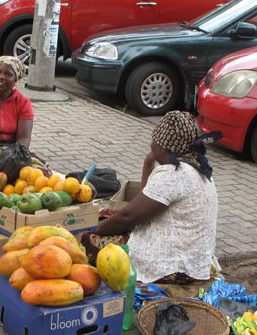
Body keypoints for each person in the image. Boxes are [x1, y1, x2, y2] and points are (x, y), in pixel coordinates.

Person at [80, 112, 220, 285]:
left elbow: (128, 218)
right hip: (194, 261)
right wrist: (148, 162)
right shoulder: (197, 166)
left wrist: (92, 229)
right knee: (108, 216)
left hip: (173, 266)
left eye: (154, 140)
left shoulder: (173, 175)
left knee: (89, 238)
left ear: (163, 147)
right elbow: (145, 197)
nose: (151, 144)